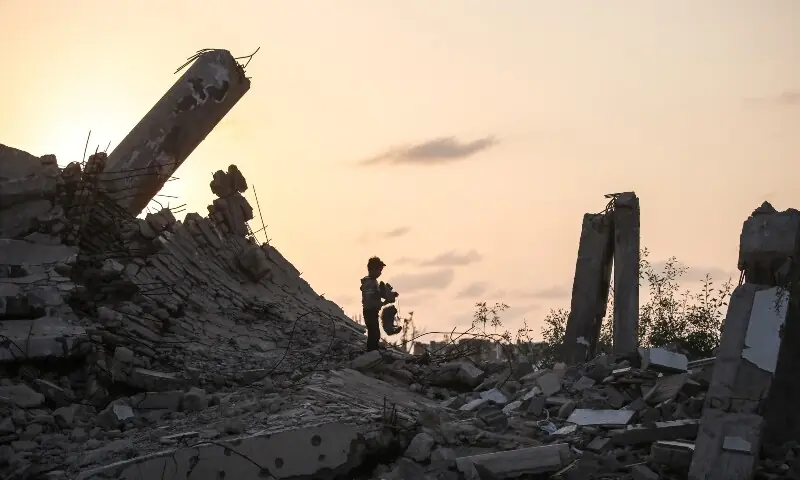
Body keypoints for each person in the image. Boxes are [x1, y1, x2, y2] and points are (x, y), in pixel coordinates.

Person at [360, 256, 390, 351]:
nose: (380, 273)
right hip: (369, 311)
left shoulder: (373, 282)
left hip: (373, 311)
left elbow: (376, 296)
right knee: (373, 333)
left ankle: (373, 349)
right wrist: (382, 295)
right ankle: (371, 350)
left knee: (375, 332)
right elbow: (371, 298)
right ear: (372, 269)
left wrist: (387, 295)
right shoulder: (369, 283)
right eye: (379, 270)